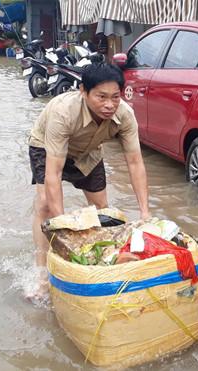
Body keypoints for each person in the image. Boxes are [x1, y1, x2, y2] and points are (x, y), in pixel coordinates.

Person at [28, 63, 150, 298]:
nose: (109, 105)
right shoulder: (62, 112)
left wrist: (145, 212)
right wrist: (63, 227)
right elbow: (54, 172)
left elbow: (135, 163)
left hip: (89, 152)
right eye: (101, 97)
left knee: (103, 210)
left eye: (115, 97)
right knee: (45, 206)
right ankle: (42, 272)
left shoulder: (124, 115)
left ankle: (103, 261)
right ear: (83, 91)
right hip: (46, 148)